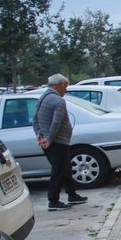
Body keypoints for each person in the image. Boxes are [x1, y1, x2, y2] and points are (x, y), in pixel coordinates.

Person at [33, 73, 87, 211]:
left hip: (49, 140)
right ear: (59, 85)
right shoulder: (58, 101)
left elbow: (35, 119)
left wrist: (39, 134)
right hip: (57, 142)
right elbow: (56, 122)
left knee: (66, 168)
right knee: (58, 170)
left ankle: (72, 194)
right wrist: (49, 140)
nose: (66, 90)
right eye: (65, 86)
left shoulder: (43, 97)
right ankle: (53, 200)